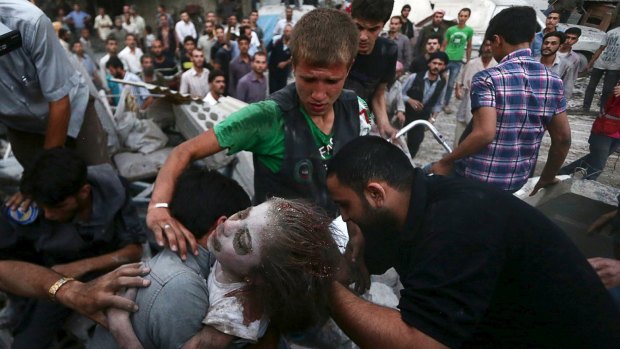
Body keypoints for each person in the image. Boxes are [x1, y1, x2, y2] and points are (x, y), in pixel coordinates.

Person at [326, 135, 620, 348]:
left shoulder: (456, 224)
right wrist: (362, 233)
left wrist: (324, 291)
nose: (343, 216)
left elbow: (421, 343)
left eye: (345, 205)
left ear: (376, 194)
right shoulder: (418, 197)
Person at [146, 8, 371, 262]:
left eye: (331, 82)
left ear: (349, 67)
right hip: (278, 254)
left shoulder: (357, 110)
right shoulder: (266, 117)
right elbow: (184, 151)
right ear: (294, 64)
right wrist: (158, 208)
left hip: (329, 240)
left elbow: (357, 177)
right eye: (308, 79)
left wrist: (356, 229)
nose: (319, 95)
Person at [0, 148, 146, 349]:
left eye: (57, 207)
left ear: (84, 192)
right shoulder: (31, 205)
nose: (49, 215)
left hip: (81, 275)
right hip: (45, 268)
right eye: (44, 207)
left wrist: (80, 267)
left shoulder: (112, 192)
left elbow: (134, 250)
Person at [430, 6, 571, 195]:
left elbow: (484, 134)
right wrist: (547, 176)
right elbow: (563, 139)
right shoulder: (553, 81)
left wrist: (445, 161)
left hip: (475, 179)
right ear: (531, 39)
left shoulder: (489, 78)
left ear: (497, 40)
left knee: (427, 178)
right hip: (516, 181)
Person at [0, 0, 108, 169]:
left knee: (98, 179)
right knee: (41, 191)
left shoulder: (30, 21)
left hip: (72, 111)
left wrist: (44, 172)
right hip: (21, 127)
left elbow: (59, 101)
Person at [346, 0, 398, 138]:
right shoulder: (337, 45)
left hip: (360, 124)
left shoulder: (388, 51)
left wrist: (384, 124)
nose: (363, 36)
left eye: (373, 29)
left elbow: (378, 93)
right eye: (359, 27)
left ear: (383, 26)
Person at [559, 83, 620, 179]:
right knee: (596, 167)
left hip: (615, 133)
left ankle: (562, 172)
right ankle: (584, 188)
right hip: (604, 130)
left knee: (594, 159)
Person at [400, 52, 448, 159]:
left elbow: (438, 103)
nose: (436, 66)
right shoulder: (414, 77)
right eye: (434, 63)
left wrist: (433, 119)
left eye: (440, 64)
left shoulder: (442, 83)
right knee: (398, 139)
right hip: (406, 114)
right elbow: (400, 94)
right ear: (429, 64)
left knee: (415, 142)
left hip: (422, 117)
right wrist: (410, 100)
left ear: (444, 66)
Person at [454, 39, 497, 147]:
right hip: (468, 102)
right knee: (458, 141)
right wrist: (458, 90)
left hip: (486, 108)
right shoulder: (472, 63)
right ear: (482, 47)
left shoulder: (497, 66)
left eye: (491, 46)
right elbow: (461, 82)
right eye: (486, 45)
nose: (488, 48)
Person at [440, 8, 473, 114]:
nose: (462, 18)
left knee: (451, 84)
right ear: (458, 16)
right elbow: (444, 45)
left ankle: (445, 103)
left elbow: (469, 46)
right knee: (440, 81)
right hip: (447, 58)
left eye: (465, 16)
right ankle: (435, 101)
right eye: (461, 15)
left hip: (457, 61)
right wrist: (440, 58)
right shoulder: (451, 30)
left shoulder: (469, 31)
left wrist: (468, 61)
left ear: (468, 17)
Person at [583, 26, 620, 112]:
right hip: (600, 62)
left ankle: (602, 110)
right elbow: (601, 48)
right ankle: (585, 108)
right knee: (591, 86)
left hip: (615, 66)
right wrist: (590, 63)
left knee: (607, 89)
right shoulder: (611, 32)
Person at [267, 24, 293, 94]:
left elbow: (294, 57)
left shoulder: (294, 44)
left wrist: (286, 63)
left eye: (290, 31)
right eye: (286, 31)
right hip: (273, 70)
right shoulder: (276, 40)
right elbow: (266, 50)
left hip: (284, 72)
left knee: (281, 92)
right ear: (284, 31)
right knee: (272, 91)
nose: (288, 33)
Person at [557, 27, 582, 99]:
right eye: (567, 37)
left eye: (573, 39)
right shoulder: (552, 49)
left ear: (576, 40)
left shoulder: (575, 58)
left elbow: (571, 79)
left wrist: (565, 97)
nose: (569, 41)